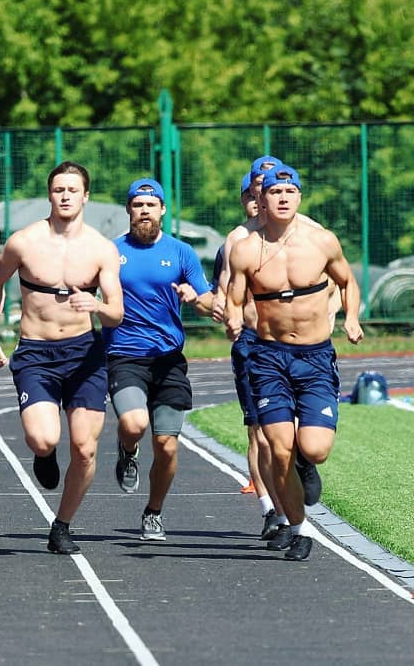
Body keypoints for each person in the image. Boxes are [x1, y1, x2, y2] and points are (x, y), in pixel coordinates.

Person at [0, 162, 123, 554]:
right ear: (50, 194)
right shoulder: (24, 242)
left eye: (72, 190)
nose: (64, 196)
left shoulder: (100, 248)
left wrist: (96, 304)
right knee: (43, 437)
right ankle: (44, 455)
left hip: (84, 353)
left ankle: (62, 525)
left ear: (85, 196)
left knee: (86, 448)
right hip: (37, 353)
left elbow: (117, 311)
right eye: (58, 189)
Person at [226, 164, 363, 561]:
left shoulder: (321, 241)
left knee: (314, 449)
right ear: (261, 200)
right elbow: (236, 296)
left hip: (315, 357)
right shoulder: (246, 248)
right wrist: (234, 316)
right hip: (268, 357)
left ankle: (307, 462)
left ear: (299, 197)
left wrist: (350, 318)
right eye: (274, 192)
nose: (283, 198)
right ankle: (300, 528)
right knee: (278, 449)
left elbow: (347, 281)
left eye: (290, 192)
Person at [106, 178, 214, 542]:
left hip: (169, 360)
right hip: (125, 356)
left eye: (151, 205)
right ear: (129, 211)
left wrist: (194, 296)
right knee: (134, 424)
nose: (145, 211)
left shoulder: (182, 252)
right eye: (138, 205)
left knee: (167, 446)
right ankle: (128, 450)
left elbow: (210, 301)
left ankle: (153, 511)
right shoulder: (111, 251)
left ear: (163, 210)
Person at [210, 167, 286, 540]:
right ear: (247, 198)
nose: (262, 196)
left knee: (293, 434)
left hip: (294, 342)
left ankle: (289, 496)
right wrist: (224, 310)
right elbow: (224, 293)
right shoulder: (237, 240)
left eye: (270, 188)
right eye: (255, 189)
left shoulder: (299, 233)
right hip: (253, 343)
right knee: (260, 431)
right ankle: (270, 509)